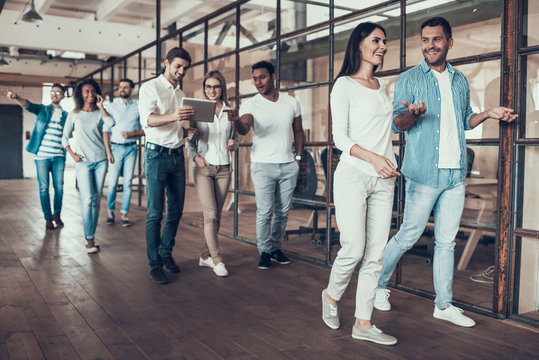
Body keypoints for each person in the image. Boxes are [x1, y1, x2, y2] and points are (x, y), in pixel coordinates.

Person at [374, 17, 517, 327]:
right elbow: (398, 123)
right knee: (409, 235)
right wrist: (412, 115)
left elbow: (465, 121)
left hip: (455, 174)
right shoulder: (410, 79)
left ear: (449, 42)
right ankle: (377, 285)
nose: (430, 45)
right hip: (424, 172)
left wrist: (490, 113)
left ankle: (444, 305)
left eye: (436, 39)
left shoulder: (460, 80)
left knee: (447, 242)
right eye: (425, 40)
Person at [321, 22, 399, 346]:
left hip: (385, 179)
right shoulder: (343, 86)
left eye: (384, 41)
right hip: (354, 174)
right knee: (353, 248)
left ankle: (363, 323)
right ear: (360, 45)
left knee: (376, 255)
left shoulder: (383, 86)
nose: (382, 46)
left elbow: (386, 130)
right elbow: (341, 138)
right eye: (376, 40)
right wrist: (374, 159)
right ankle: (331, 295)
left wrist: (387, 159)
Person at [233, 60, 305, 270]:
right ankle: (264, 251)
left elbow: (298, 131)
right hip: (263, 166)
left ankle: (275, 247)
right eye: (254, 79)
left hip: (287, 165)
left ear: (273, 76)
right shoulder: (250, 104)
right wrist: (236, 120)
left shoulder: (291, 102)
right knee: (265, 212)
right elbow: (244, 128)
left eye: (262, 77)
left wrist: (298, 159)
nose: (258, 82)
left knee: (282, 212)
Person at [138, 47, 195, 285]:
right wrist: (175, 116)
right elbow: (148, 121)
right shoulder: (149, 88)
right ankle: (155, 264)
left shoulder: (182, 94)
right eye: (178, 66)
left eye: (185, 68)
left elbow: (175, 125)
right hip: (155, 157)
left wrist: (186, 130)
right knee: (155, 213)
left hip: (177, 156)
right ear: (166, 63)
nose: (181, 71)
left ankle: (166, 252)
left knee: (176, 211)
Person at [186, 70, 239, 277]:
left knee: (216, 217)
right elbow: (189, 140)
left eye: (216, 86)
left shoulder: (230, 111)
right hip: (203, 168)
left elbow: (235, 139)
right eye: (208, 86)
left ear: (222, 88)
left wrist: (234, 144)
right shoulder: (197, 110)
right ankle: (217, 260)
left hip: (224, 168)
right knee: (211, 214)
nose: (212, 90)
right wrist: (195, 157)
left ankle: (205, 256)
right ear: (204, 88)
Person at [62, 79, 115, 254]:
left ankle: (91, 235)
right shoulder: (74, 114)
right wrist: (73, 154)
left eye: (93, 91)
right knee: (87, 200)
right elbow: (64, 138)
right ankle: (89, 238)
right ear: (80, 94)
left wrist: (102, 107)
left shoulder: (100, 114)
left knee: (97, 199)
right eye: (87, 92)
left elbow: (111, 124)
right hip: (83, 162)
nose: (90, 95)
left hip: (100, 161)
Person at [7, 84, 68, 230]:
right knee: (44, 188)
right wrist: (17, 98)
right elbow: (27, 105)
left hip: (59, 155)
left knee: (59, 188)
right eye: (52, 92)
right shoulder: (42, 109)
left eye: (58, 92)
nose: (54, 94)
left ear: (63, 96)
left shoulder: (66, 115)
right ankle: (48, 218)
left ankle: (57, 214)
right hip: (42, 156)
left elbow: (68, 133)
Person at [104, 78, 144, 227]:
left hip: (131, 149)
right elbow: (106, 131)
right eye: (120, 87)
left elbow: (144, 130)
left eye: (125, 87)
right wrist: (108, 151)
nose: (122, 89)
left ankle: (124, 215)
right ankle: (110, 212)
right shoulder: (112, 107)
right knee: (113, 183)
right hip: (115, 148)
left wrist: (133, 134)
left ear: (132, 90)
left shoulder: (138, 108)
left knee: (127, 183)